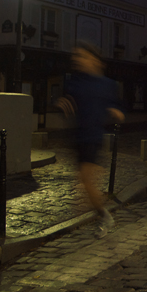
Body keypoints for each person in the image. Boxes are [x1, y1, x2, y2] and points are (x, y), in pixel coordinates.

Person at [55, 41, 125, 238]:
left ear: (93, 59)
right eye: (75, 57)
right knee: (84, 186)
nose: (76, 60)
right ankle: (102, 213)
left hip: (93, 137)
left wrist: (116, 112)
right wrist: (63, 103)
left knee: (86, 182)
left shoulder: (107, 84)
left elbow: (117, 106)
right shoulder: (74, 82)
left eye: (81, 56)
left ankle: (105, 217)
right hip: (77, 137)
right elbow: (69, 100)